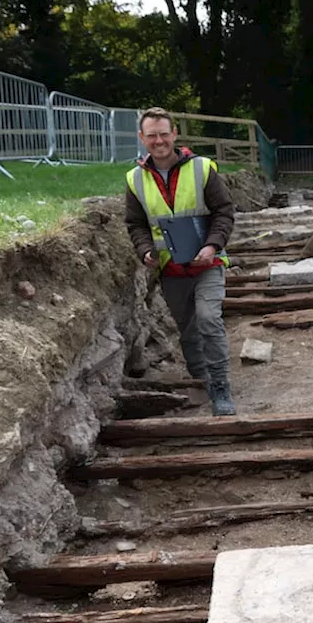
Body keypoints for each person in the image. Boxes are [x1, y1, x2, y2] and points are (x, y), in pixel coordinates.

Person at [124, 107, 237, 416]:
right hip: (171, 269)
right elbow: (135, 224)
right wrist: (145, 250)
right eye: (152, 136)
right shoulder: (135, 179)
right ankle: (200, 376)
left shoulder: (201, 169)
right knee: (187, 328)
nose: (158, 141)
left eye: (164, 134)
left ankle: (220, 386)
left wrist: (213, 245)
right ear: (142, 138)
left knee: (208, 319)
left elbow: (224, 211)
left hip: (208, 263)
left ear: (174, 134)